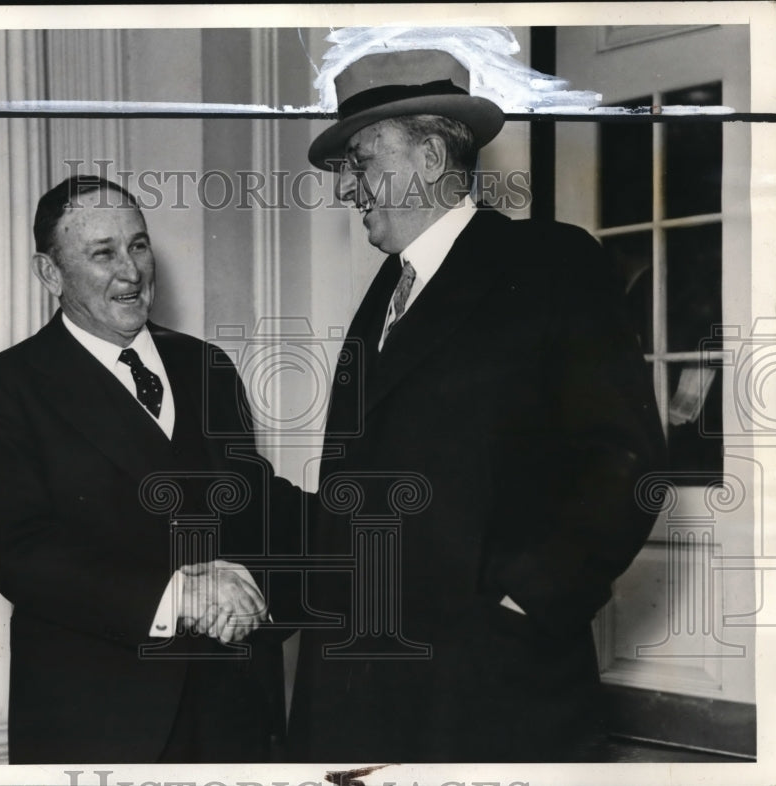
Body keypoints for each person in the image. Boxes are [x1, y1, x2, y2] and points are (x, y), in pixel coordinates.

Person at [286, 49, 668, 762]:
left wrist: (528, 601)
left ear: (430, 159)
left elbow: (625, 458)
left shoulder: (550, 264)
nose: (347, 189)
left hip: (491, 679)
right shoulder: (383, 298)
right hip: (364, 681)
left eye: (362, 161)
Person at [0, 176, 297, 763]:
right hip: (99, 720)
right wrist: (180, 598)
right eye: (103, 253)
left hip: (232, 709)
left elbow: (258, 504)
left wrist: (256, 590)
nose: (132, 271)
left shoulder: (207, 366)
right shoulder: (4, 388)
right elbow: (21, 553)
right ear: (49, 274)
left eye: (138, 245)